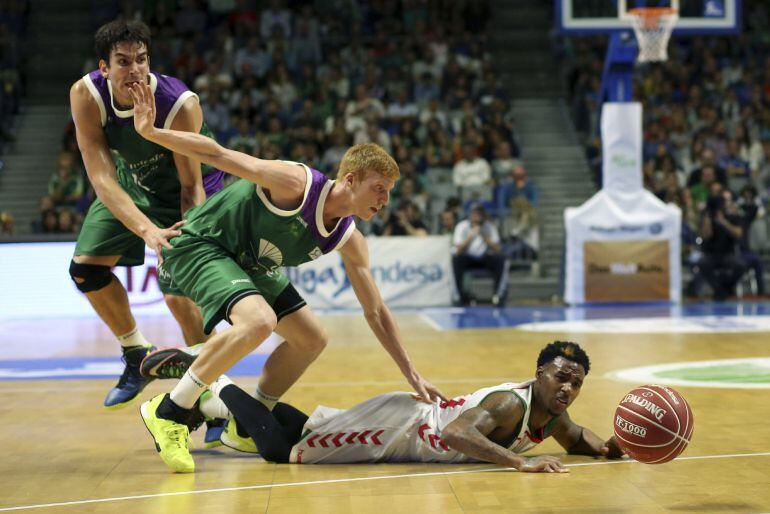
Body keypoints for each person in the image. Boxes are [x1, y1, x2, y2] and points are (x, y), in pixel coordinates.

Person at [127, 81, 445, 473]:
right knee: (259, 321)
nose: (385, 200)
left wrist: (413, 374)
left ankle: (248, 421)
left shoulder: (350, 239)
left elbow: (376, 311)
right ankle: (170, 410)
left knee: (312, 338)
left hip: (250, 264)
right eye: (378, 188)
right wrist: (152, 133)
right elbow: (219, 154)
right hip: (202, 244)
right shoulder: (296, 184)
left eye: (389, 192)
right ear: (349, 179)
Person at [67, 20, 226, 416]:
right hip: (135, 183)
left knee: (179, 295)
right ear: (104, 68)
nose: (135, 69)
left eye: (141, 60)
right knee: (86, 271)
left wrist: (185, 245)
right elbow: (101, 178)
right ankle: (136, 352)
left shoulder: (179, 104)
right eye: (123, 62)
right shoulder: (86, 95)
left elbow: (191, 187)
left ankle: (212, 398)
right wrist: (148, 231)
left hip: (194, 190)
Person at [146, 341, 623, 471]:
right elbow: (456, 433)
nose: (567, 387)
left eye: (575, 383)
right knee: (280, 452)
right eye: (560, 376)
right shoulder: (508, 404)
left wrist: (615, 449)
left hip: (403, 431)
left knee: (306, 430)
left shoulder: (553, 415)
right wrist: (520, 463)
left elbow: (579, 439)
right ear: (539, 374)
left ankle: (210, 408)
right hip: (401, 427)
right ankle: (212, 378)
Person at [452, 204, 508, 306]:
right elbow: (458, 250)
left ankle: (498, 296)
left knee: (500, 259)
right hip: (467, 257)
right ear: (470, 214)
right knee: (456, 259)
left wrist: (483, 235)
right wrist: (471, 236)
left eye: (480, 214)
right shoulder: (461, 226)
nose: (478, 216)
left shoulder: (490, 226)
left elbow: (497, 249)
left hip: (484, 257)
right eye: (475, 213)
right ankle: (458, 296)